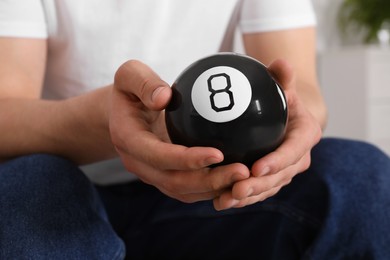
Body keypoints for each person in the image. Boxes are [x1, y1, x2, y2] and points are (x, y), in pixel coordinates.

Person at [0, 0, 389, 259]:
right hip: (71, 186)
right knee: (28, 189)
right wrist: (109, 122)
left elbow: (301, 89)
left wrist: (288, 133)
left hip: (215, 189)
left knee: (364, 178)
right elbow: (6, 114)